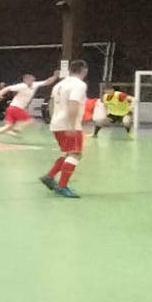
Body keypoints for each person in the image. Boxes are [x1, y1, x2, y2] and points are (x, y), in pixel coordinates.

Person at [40, 59, 89, 198]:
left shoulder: (59, 84)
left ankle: (49, 176)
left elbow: (51, 104)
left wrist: (52, 120)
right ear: (84, 70)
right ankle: (62, 186)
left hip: (56, 123)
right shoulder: (79, 85)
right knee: (75, 154)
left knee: (69, 153)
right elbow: (73, 104)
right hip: (69, 124)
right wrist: (72, 125)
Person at [0, 71, 56, 143]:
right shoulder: (21, 86)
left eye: (32, 79)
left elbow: (47, 82)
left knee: (8, 126)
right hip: (16, 108)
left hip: (12, 108)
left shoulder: (35, 84)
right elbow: (7, 88)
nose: (31, 80)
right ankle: (15, 130)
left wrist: (55, 76)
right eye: (28, 79)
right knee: (30, 120)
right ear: (25, 80)